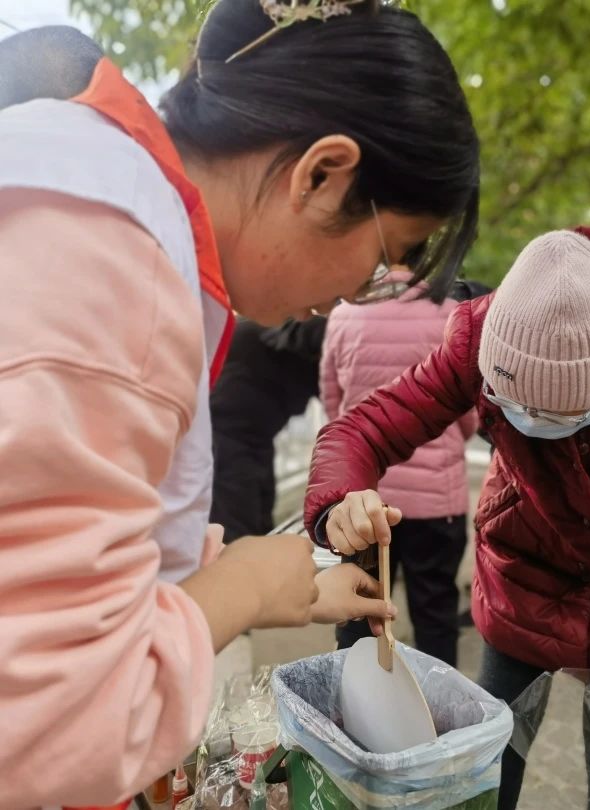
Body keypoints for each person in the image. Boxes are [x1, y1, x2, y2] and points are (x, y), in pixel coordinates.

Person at [0, 0, 479, 805]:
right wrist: (244, 590)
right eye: (379, 262)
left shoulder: (92, 195)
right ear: (323, 173)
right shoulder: (119, 262)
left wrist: (262, 577)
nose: (343, 303)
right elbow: (51, 723)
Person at [305, 228, 590, 810]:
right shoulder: (479, 332)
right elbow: (363, 428)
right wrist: (342, 498)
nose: (532, 422)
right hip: (522, 574)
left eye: (562, 413)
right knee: (489, 764)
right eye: (514, 405)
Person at [321, 268, 478, 666]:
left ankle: (353, 712)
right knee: (436, 613)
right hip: (436, 500)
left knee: (358, 609)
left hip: (362, 501)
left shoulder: (344, 313)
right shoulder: (451, 312)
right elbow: (467, 414)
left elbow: (333, 407)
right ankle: (435, 718)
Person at [210, 315, 327, 542]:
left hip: (254, 434)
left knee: (258, 517)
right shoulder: (309, 331)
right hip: (229, 436)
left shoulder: (288, 329)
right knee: (238, 527)